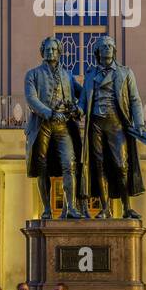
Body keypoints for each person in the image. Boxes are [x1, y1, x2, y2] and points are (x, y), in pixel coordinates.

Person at [78, 36, 146, 220]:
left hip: (116, 123)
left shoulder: (125, 73)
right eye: (103, 46)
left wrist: (140, 124)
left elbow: (135, 99)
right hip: (95, 123)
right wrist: (76, 110)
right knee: (99, 165)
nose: (108, 49)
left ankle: (127, 207)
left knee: (121, 165)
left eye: (110, 46)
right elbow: (83, 101)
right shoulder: (90, 73)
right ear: (97, 52)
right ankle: (105, 208)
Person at [24, 36, 86, 219]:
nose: (51, 52)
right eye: (47, 50)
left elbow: (83, 94)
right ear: (43, 52)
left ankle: (70, 207)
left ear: (59, 52)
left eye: (54, 49)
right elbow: (31, 99)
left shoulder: (68, 76)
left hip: (63, 125)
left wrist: (79, 108)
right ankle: (46, 209)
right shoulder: (32, 74)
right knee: (42, 167)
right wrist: (49, 113)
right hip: (42, 124)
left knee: (70, 164)